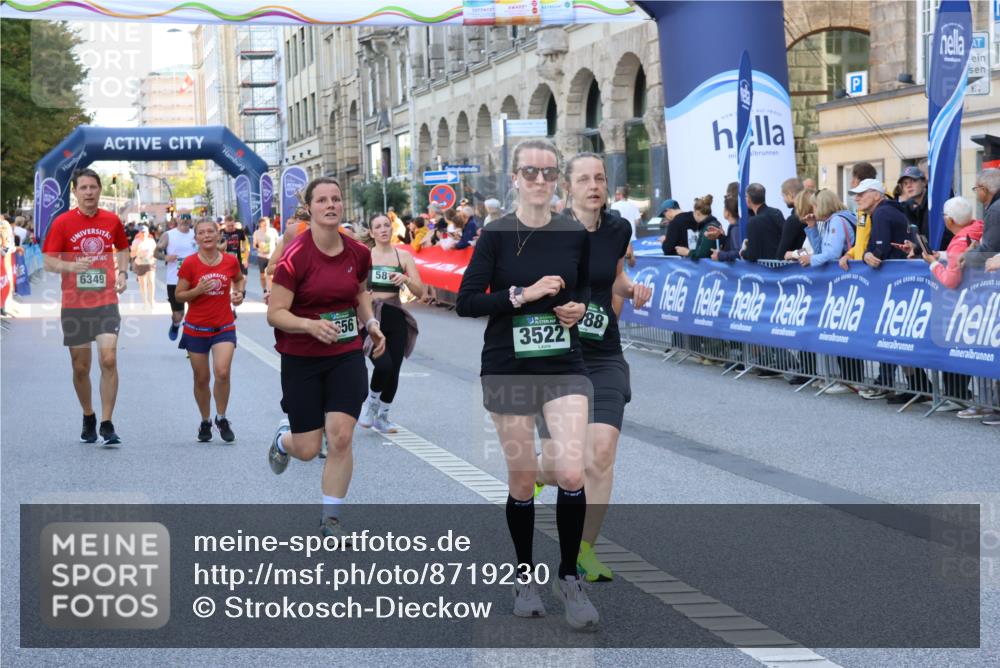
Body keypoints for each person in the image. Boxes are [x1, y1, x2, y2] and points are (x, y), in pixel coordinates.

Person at [456, 138, 599, 630]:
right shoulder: (495, 234)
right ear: (514, 178)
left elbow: (582, 290)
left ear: (557, 179)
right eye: (530, 172)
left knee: (571, 469)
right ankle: (524, 575)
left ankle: (569, 578)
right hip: (508, 365)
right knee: (522, 479)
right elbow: (468, 301)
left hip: (563, 361)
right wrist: (523, 294)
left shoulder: (573, 232)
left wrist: (577, 307)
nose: (540, 180)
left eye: (548, 172)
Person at [533, 152, 652, 585]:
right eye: (584, 179)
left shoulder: (619, 228)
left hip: (603, 355)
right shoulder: (549, 232)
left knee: (599, 456)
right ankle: (535, 471)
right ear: (569, 187)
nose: (594, 185)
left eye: (600, 178)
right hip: (558, 357)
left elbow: (614, 278)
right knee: (566, 463)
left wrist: (633, 288)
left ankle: (584, 553)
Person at [266, 177, 386, 539]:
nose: (331, 205)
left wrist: (371, 323)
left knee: (341, 437)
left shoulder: (358, 253)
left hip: (345, 353)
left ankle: (331, 518)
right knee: (307, 448)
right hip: (301, 357)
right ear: (310, 207)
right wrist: (308, 325)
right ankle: (283, 441)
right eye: (322, 200)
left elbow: (360, 293)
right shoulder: (295, 256)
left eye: (336, 199)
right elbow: (275, 313)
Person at [42, 168, 129, 446]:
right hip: (74, 303)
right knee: (81, 367)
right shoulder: (63, 223)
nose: (89, 192)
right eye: (84, 188)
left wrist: (124, 273)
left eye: (93, 187)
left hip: (105, 300)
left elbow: (123, 248)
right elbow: (48, 261)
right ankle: (88, 415)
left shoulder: (112, 220)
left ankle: (106, 423)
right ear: (76, 192)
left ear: (100, 190)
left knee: (108, 360)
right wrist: (71, 266)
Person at [174, 219, 245, 442]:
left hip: (223, 326)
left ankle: (221, 417)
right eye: (201, 232)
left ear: (217, 235)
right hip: (196, 328)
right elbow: (179, 295)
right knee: (201, 378)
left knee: (222, 372)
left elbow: (239, 280)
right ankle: (205, 420)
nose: (206, 235)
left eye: (210, 232)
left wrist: (238, 294)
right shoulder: (190, 264)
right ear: (196, 238)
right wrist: (197, 290)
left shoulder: (230, 261)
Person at [357, 214, 425, 433]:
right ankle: (371, 405)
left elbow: (420, 291)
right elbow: (353, 287)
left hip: (395, 313)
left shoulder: (403, 256)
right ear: (371, 232)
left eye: (387, 225)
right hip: (371, 315)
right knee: (383, 364)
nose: (384, 229)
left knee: (394, 369)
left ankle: (383, 416)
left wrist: (405, 279)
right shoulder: (364, 256)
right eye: (378, 226)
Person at [155, 214, 198, 341]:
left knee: (196, 312)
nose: (185, 221)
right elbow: (156, 252)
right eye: (182, 218)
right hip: (175, 280)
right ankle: (176, 324)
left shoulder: (196, 234)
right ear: (177, 220)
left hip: (195, 279)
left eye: (187, 218)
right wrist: (166, 257)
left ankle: (192, 337)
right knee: (178, 314)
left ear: (191, 220)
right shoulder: (169, 235)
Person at [839, 162, 879, 269]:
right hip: (862, 265)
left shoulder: (877, 204)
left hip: (873, 266)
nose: (851, 182)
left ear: (857, 180)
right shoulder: (864, 206)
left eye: (853, 178)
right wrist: (850, 254)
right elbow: (861, 240)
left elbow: (878, 241)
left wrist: (866, 255)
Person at [964, 168, 1000, 268]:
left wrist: (968, 256)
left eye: (976, 189)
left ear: (984, 190)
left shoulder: (995, 210)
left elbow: (989, 251)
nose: (976, 193)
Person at [739, 183, 784, 261]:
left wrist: (743, 252)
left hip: (764, 270)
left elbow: (752, 255)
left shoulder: (753, 222)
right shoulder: (777, 212)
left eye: (746, 196)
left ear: (749, 199)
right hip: (784, 266)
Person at [675, 195, 722, 259]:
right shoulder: (708, 225)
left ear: (697, 213)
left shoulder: (709, 227)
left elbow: (703, 254)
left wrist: (687, 252)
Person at [775, 177, 806, 259]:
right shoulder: (813, 214)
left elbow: (781, 254)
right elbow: (813, 250)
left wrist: (793, 254)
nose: (783, 200)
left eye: (784, 196)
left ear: (791, 195)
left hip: (797, 269)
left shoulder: (793, 220)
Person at [130, 224, 157, 310]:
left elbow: (156, 252)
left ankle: (152, 301)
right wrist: (136, 250)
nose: (143, 234)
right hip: (140, 264)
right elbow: (131, 255)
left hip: (150, 263)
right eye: (142, 232)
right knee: (142, 284)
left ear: (148, 232)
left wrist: (154, 257)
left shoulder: (151, 241)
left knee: (151, 282)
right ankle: (145, 302)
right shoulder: (136, 242)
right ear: (139, 233)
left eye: (145, 232)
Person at [253, 216, 279, 296]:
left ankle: (271, 292)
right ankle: (264, 290)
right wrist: (259, 246)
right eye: (264, 225)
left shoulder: (273, 231)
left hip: (271, 257)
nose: (266, 226)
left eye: (267, 224)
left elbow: (277, 243)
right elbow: (254, 246)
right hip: (261, 257)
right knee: (262, 276)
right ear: (260, 225)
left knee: (271, 276)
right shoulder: (256, 233)